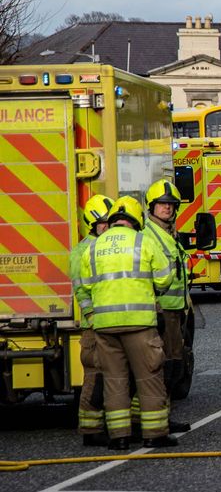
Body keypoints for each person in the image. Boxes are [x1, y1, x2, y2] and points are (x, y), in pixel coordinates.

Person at [78, 196, 177, 451]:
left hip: (104, 327)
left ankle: (119, 437)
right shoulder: (143, 242)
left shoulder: (95, 246)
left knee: (114, 380)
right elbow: (165, 279)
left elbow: (86, 285)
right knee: (149, 377)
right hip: (139, 324)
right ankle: (154, 434)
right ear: (136, 219)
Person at [142, 180, 193, 433]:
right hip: (163, 311)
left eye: (171, 205)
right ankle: (160, 419)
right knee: (167, 365)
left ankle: (162, 416)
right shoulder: (150, 236)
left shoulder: (167, 234)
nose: (167, 208)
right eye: (162, 204)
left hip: (174, 309)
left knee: (173, 363)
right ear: (151, 207)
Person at [71, 194, 114, 447]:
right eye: (103, 224)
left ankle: (108, 425)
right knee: (95, 378)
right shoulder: (82, 252)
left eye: (110, 222)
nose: (107, 227)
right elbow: (82, 292)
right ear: (92, 225)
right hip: (94, 327)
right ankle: (90, 429)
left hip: (109, 322)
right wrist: (92, 318)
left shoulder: (104, 247)